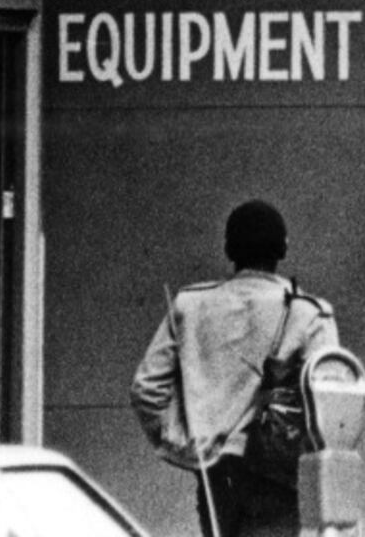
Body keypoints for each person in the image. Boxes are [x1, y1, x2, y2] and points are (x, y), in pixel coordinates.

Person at [136, 200, 344, 537]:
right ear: (283, 249)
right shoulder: (310, 315)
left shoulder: (190, 306)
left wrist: (186, 446)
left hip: (216, 475)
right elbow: (333, 411)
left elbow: (147, 390)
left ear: (229, 249)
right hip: (281, 477)